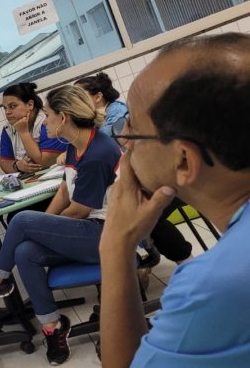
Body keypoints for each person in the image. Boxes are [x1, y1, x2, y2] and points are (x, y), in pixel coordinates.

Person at [99, 33, 250, 367]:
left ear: (183, 160)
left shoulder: (213, 286)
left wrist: (116, 246)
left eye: (132, 127)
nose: (125, 141)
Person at [0, 85, 121, 365]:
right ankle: (53, 327)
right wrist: (44, 223)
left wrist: (40, 226)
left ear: (64, 117)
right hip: (89, 230)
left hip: (108, 236)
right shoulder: (77, 145)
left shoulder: (97, 153)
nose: (45, 123)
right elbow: (64, 190)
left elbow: (80, 210)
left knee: (22, 220)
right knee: (25, 252)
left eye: (47, 115)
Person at [75, 74, 194, 268]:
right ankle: (148, 255)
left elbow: (106, 143)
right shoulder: (97, 119)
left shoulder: (117, 113)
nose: (77, 102)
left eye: (80, 96)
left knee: (146, 214)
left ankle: (186, 262)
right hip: (147, 176)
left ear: (97, 97)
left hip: (170, 177)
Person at [0, 82, 67, 174]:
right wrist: (17, 166)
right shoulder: (8, 128)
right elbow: (4, 163)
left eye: (12, 106)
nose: (7, 112)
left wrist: (24, 133)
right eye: (5, 108)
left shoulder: (47, 121)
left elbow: (44, 163)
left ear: (30, 105)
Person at [74, 71, 127, 136]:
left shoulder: (117, 115)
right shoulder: (103, 113)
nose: (75, 102)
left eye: (79, 97)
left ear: (98, 97)